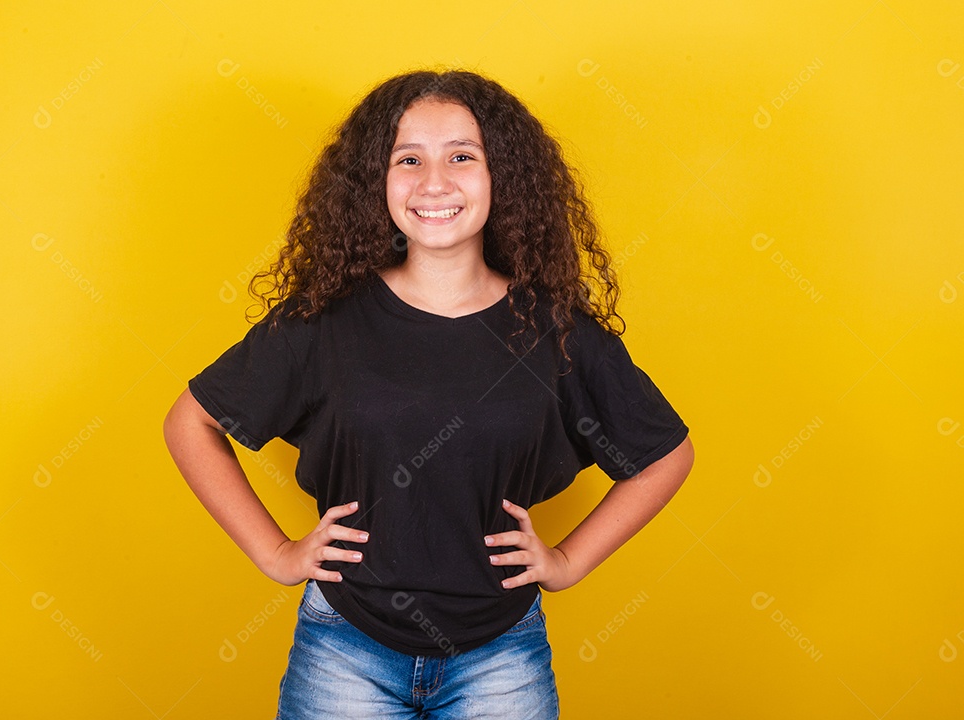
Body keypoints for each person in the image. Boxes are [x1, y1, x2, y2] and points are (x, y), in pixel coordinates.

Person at [163, 68, 694, 720]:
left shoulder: (556, 331)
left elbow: (665, 454)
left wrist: (567, 561)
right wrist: (275, 553)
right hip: (344, 648)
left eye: (462, 157)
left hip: (503, 654)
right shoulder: (323, 323)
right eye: (408, 159)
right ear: (375, 181)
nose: (434, 182)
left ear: (502, 176)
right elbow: (191, 423)